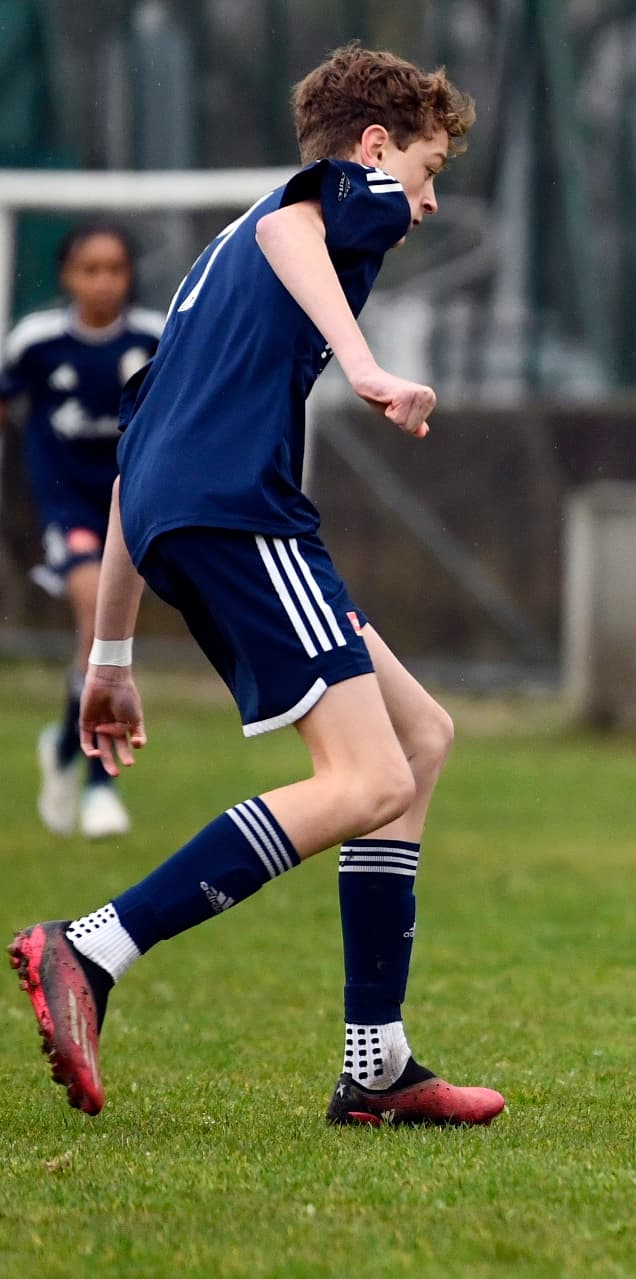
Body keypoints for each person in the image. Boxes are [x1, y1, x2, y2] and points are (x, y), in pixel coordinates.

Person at [7, 44, 504, 1127]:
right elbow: (298, 226)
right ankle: (90, 948)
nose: (419, 206)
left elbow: (137, 462)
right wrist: (364, 364)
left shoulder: (207, 274)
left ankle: (377, 1059)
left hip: (196, 515)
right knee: (367, 777)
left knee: (419, 737)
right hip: (244, 515)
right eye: (425, 174)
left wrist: (112, 656)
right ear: (375, 148)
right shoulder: (314, 211)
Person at [0, 225, 164, 840]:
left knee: (100, 637)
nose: (103, 281)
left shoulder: (153, 339)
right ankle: (100, 785)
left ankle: (66, 749)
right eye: (89, 269)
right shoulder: (36, 342)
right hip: (66, 510)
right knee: (99, 621)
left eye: (115, 268)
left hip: (133, 507)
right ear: (67, 276)